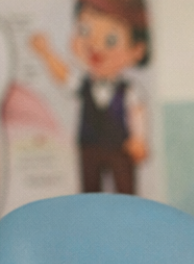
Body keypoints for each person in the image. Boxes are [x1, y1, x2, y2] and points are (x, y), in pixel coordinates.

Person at [31, 0, 151, 194]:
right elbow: (64, 76)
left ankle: (127, 222)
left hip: (119, 148)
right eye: (85, 31)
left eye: (110, 39)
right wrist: (46, 53)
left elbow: (137, 112)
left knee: (125, 190)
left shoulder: (128, 90)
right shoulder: (84, 84)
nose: (95, 44)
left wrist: (139, 139)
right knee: (90, 192)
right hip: (89, 146)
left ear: (137, 50)